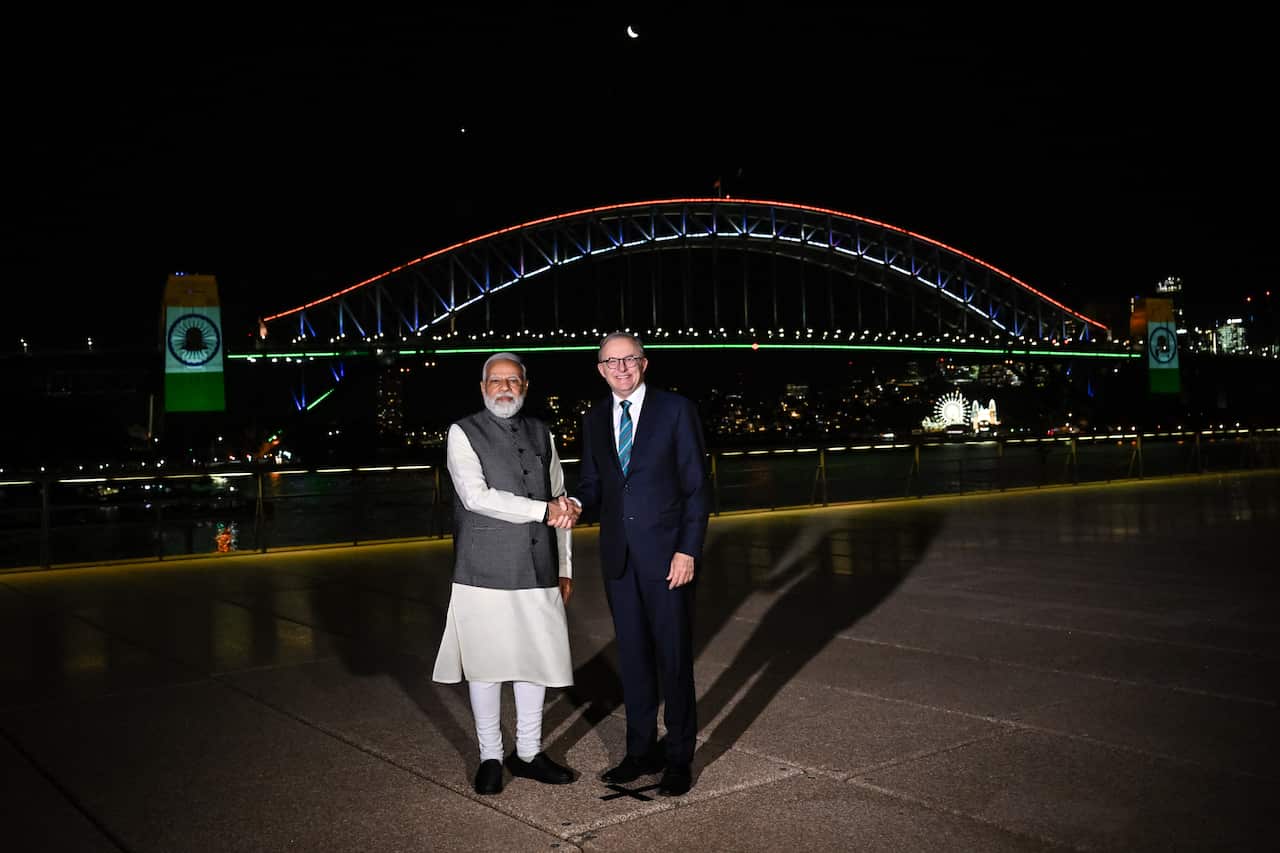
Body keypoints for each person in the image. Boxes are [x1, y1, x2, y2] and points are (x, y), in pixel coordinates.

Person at [432, 351, 580, 795]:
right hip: (482, 569)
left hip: (538, 568)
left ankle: (530, 753)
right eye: (496, 380)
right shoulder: (462, 432)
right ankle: (490, 756)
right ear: (482, 388)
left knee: (534, 661)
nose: (504, 387)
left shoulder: (541, 432)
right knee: (486, 665)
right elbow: (476, 497)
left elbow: (561, 497)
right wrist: (543, 511)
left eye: (513, 380)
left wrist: (566, 565)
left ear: (525, 387)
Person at [571, 332, 710, 796]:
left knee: (673, 660)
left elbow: (695, 486)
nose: (622, 368)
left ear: (645, 364)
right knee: (632, 661)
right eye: (612, 362)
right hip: (620, 559)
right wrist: (572, 502)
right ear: (600, 370)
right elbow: (594, 484)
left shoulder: (676, 410)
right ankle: (639, 751)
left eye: (630, 359)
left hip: (669, 557)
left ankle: (678, 758)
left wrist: (688, 549)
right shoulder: (593, 419)